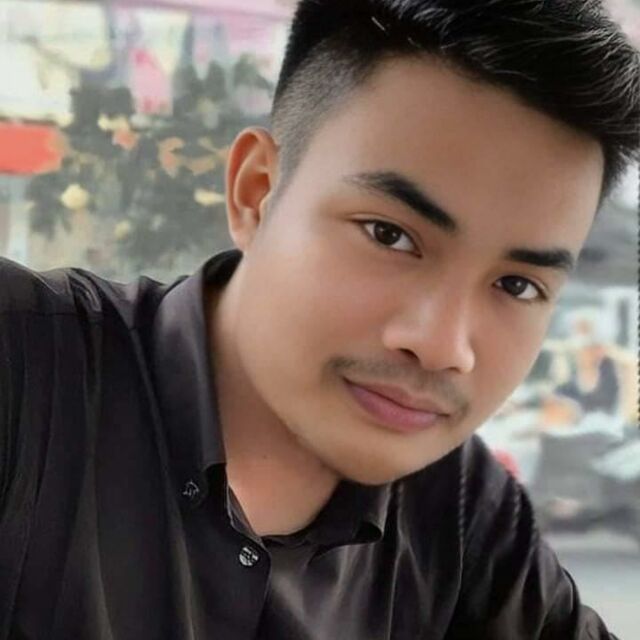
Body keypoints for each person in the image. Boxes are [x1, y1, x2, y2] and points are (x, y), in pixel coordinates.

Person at [0, 1, 638, 638]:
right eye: (389, 235)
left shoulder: (463, 508)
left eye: (517, 285)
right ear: (256, 192)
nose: (444, 346)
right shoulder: (25, 375)